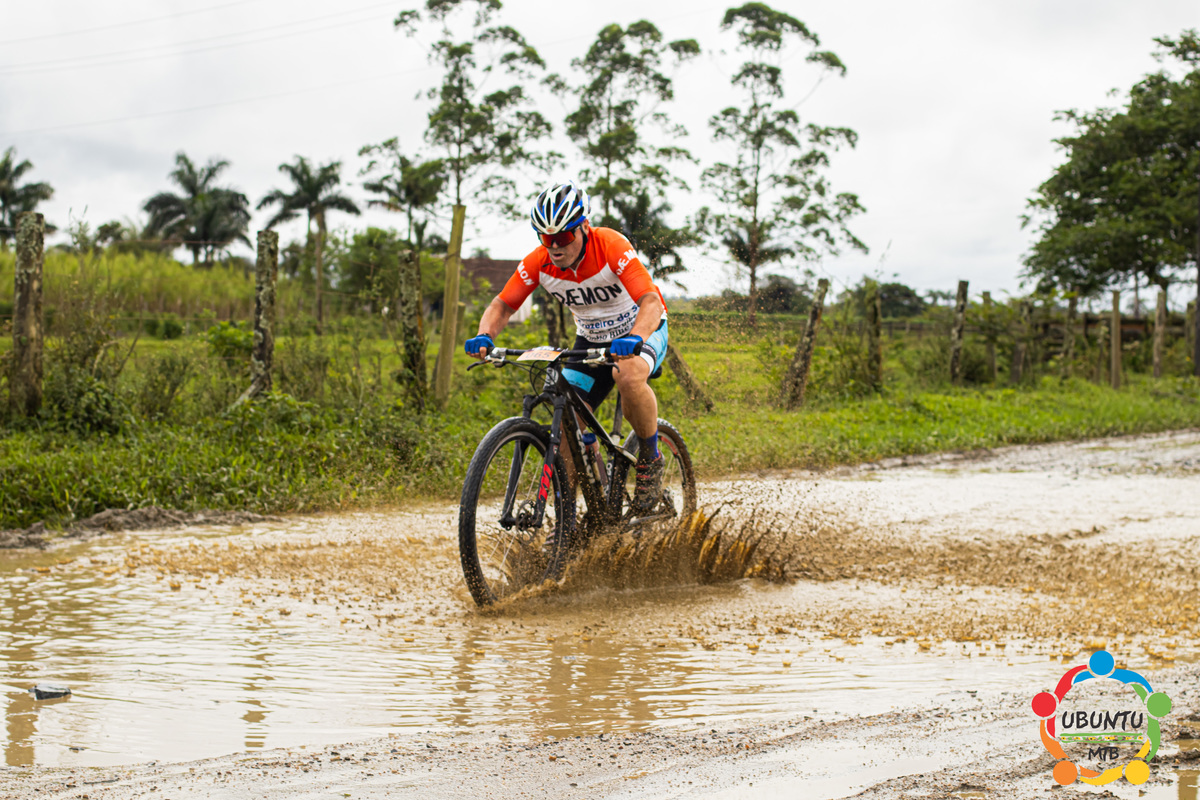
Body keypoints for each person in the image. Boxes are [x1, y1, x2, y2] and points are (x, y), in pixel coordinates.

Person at [465, 180, 669, 513]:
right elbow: (503, 305)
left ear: (584, 227)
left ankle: (650, 459)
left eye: (562, 238)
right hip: (590, 340)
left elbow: (650, 301)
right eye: (546, 239)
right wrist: (485, 335)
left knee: (628, 375)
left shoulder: (611, 246)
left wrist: (636, 337)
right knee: (565, 430)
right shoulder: (539, 262)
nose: (555, 247)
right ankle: (567, 525)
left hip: (641, 329)